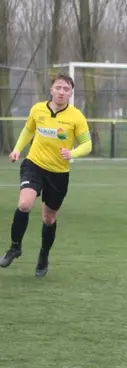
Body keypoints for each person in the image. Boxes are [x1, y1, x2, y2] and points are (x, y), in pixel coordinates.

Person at [0, 72, 92, 277]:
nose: (61, 92)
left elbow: (87, 144)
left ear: (70, 93)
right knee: (24, 204)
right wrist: (17, 149)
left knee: (49, 219)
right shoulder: (37, 109)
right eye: (58, 87)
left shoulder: (76, 117)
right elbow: (28, 131)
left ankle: (44, 254)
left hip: (59, 173)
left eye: (66, 89)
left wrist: (73, 153)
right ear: (51, 90)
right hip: (34, 164)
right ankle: (15, 247)